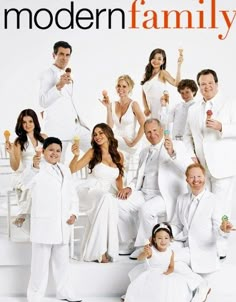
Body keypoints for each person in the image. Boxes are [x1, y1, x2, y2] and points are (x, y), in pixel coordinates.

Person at [117, 118, 192, 255]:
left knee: (146, 210)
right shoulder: (144, 151)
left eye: (154, 131)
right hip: (144, 192)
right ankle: (129, 242)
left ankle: (147, 247)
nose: (152, 135)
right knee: (120, 204)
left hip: (164, 195)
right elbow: (138, 176)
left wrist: (172, 153)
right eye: (148, 132)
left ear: (162, 130)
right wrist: (130, 188)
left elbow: (188, 169)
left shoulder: (176, 145)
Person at [184, 69, 236, 256]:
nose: (206, 87)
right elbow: (187, 137)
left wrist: (222, 127)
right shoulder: (193, 110)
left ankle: (221, 246)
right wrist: (191, 156)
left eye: (209, 83)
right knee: (204, 207)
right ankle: (204, 243)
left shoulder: (229, 103)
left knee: (221, 208)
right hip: (202, 169)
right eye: (203, 84)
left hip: (223, 167)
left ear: (216, 84)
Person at [22, 137, 80, 302]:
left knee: (63, 264)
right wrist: (33, 166)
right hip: (44, 223)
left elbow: (71, 193)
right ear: (44, 151)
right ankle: (34, 296)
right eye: (51, 150)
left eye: (58, 150)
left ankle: (65, 292)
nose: (54, 153)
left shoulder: (64, 169)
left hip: (62, 223)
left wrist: (74, 212)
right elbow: (25, 182)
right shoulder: (37, 168)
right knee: (39, 265)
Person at [171, 163, 234, 301]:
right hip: (184, 243)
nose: (196, 180)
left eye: (199, 176)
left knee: (169, 260)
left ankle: (201, 285)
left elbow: (219, 228)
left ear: (204, 178)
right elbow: (176, 224)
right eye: (192, 177)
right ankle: (200, 284)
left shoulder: (214, 200)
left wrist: (223, 230)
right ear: (186, 179)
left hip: (203, 248)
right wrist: (165, 232)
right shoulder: (181, 199)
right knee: (160, 256)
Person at [69, 123, 124, 263]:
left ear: (108, 134)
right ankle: (100, 253)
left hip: (104, 194)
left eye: (100, 133)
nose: (97, 136)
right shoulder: (93, 152)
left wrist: (122, 190)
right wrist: (75, 156)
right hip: (89, 190)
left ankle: (105, 250)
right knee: (107, 198)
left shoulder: (119, 155)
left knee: (109, 200)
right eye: (95, 134)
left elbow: (118, 178)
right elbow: (73, 169)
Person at [124, 222, 204, 302]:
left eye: (166, 238)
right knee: (156, 287)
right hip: (153, 273)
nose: (163, 241)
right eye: (159, 238)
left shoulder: (171, 252)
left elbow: (171, 266)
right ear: (155, 239)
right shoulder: (152, 251)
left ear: (170, 239)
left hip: (166, 273)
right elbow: (140, 258)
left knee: (174, 285)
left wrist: (168, 272)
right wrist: (145, 253)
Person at [39, 41, 90, 162]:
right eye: (61, 54)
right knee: (57, 167)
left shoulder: (68, 74)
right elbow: (43, 102)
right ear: (54, 55)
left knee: (99, 150)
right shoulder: (47, 74)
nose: (64, 58)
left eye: (67, 55)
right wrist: (59, 85)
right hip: (57, 130)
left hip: (76, 127)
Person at [5, 109, 47, 227]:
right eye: (24, 122)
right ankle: (25, 214)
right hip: (27, 172)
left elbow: (51, 157)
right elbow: (15, 167)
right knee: (34, 183)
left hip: (43, 171)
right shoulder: (19, 142)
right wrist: (11, 153)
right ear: (21, 124)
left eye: (30, 121)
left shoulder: (44, 138)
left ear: (35, 122)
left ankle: (46, 218)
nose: (28, 125)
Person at [100, 74, 145, 170]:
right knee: (106, 147)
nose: (121, 89)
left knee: (106, 145)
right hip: (116, 140)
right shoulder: (113, 104)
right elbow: (110, 126)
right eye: (118, 86)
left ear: (130, 88)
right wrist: (108, 108)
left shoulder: (134, 104)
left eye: (124, 86)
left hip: (129, 141)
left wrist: (133, 142)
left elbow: (144, 125)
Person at [141, 48, 183, 119]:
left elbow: (177, 84)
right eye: (154, 58)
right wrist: (146, 108)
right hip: (149, 111)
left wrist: (179, 65)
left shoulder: (162, 73)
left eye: (159, 59)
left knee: (162, 128)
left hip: (161, 109)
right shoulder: (145, 75)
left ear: (163, 61)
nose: (156, 61)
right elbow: (143, 93)